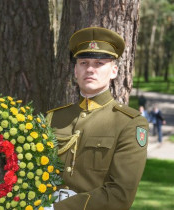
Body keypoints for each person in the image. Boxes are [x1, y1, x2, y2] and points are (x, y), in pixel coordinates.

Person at [46, 27, 148, 210]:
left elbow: (120, 194)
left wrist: (56, 208)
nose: (90, 69)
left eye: (99, 63)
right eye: (83, 63)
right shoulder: (53, 118)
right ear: (75, 71)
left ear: (114, 71)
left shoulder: (130, 124)